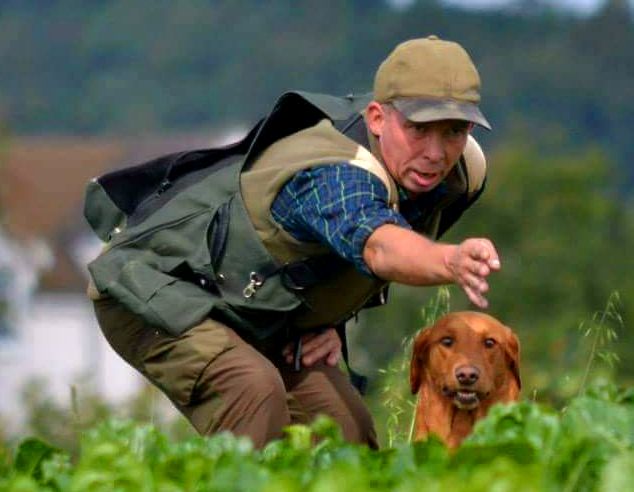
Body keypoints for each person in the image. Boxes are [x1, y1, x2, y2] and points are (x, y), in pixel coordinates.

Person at [85, 35, 500, 450]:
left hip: (258, 310)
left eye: (454, 132)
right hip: (152, 287)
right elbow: (380, 246)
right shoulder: (333, 174)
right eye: (418, 130)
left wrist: (330, 320)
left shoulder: (463, 173)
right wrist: (451, 260)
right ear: (377, 118)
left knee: (343, 430)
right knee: (253, 390)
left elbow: (361, 252)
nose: (436, 152)